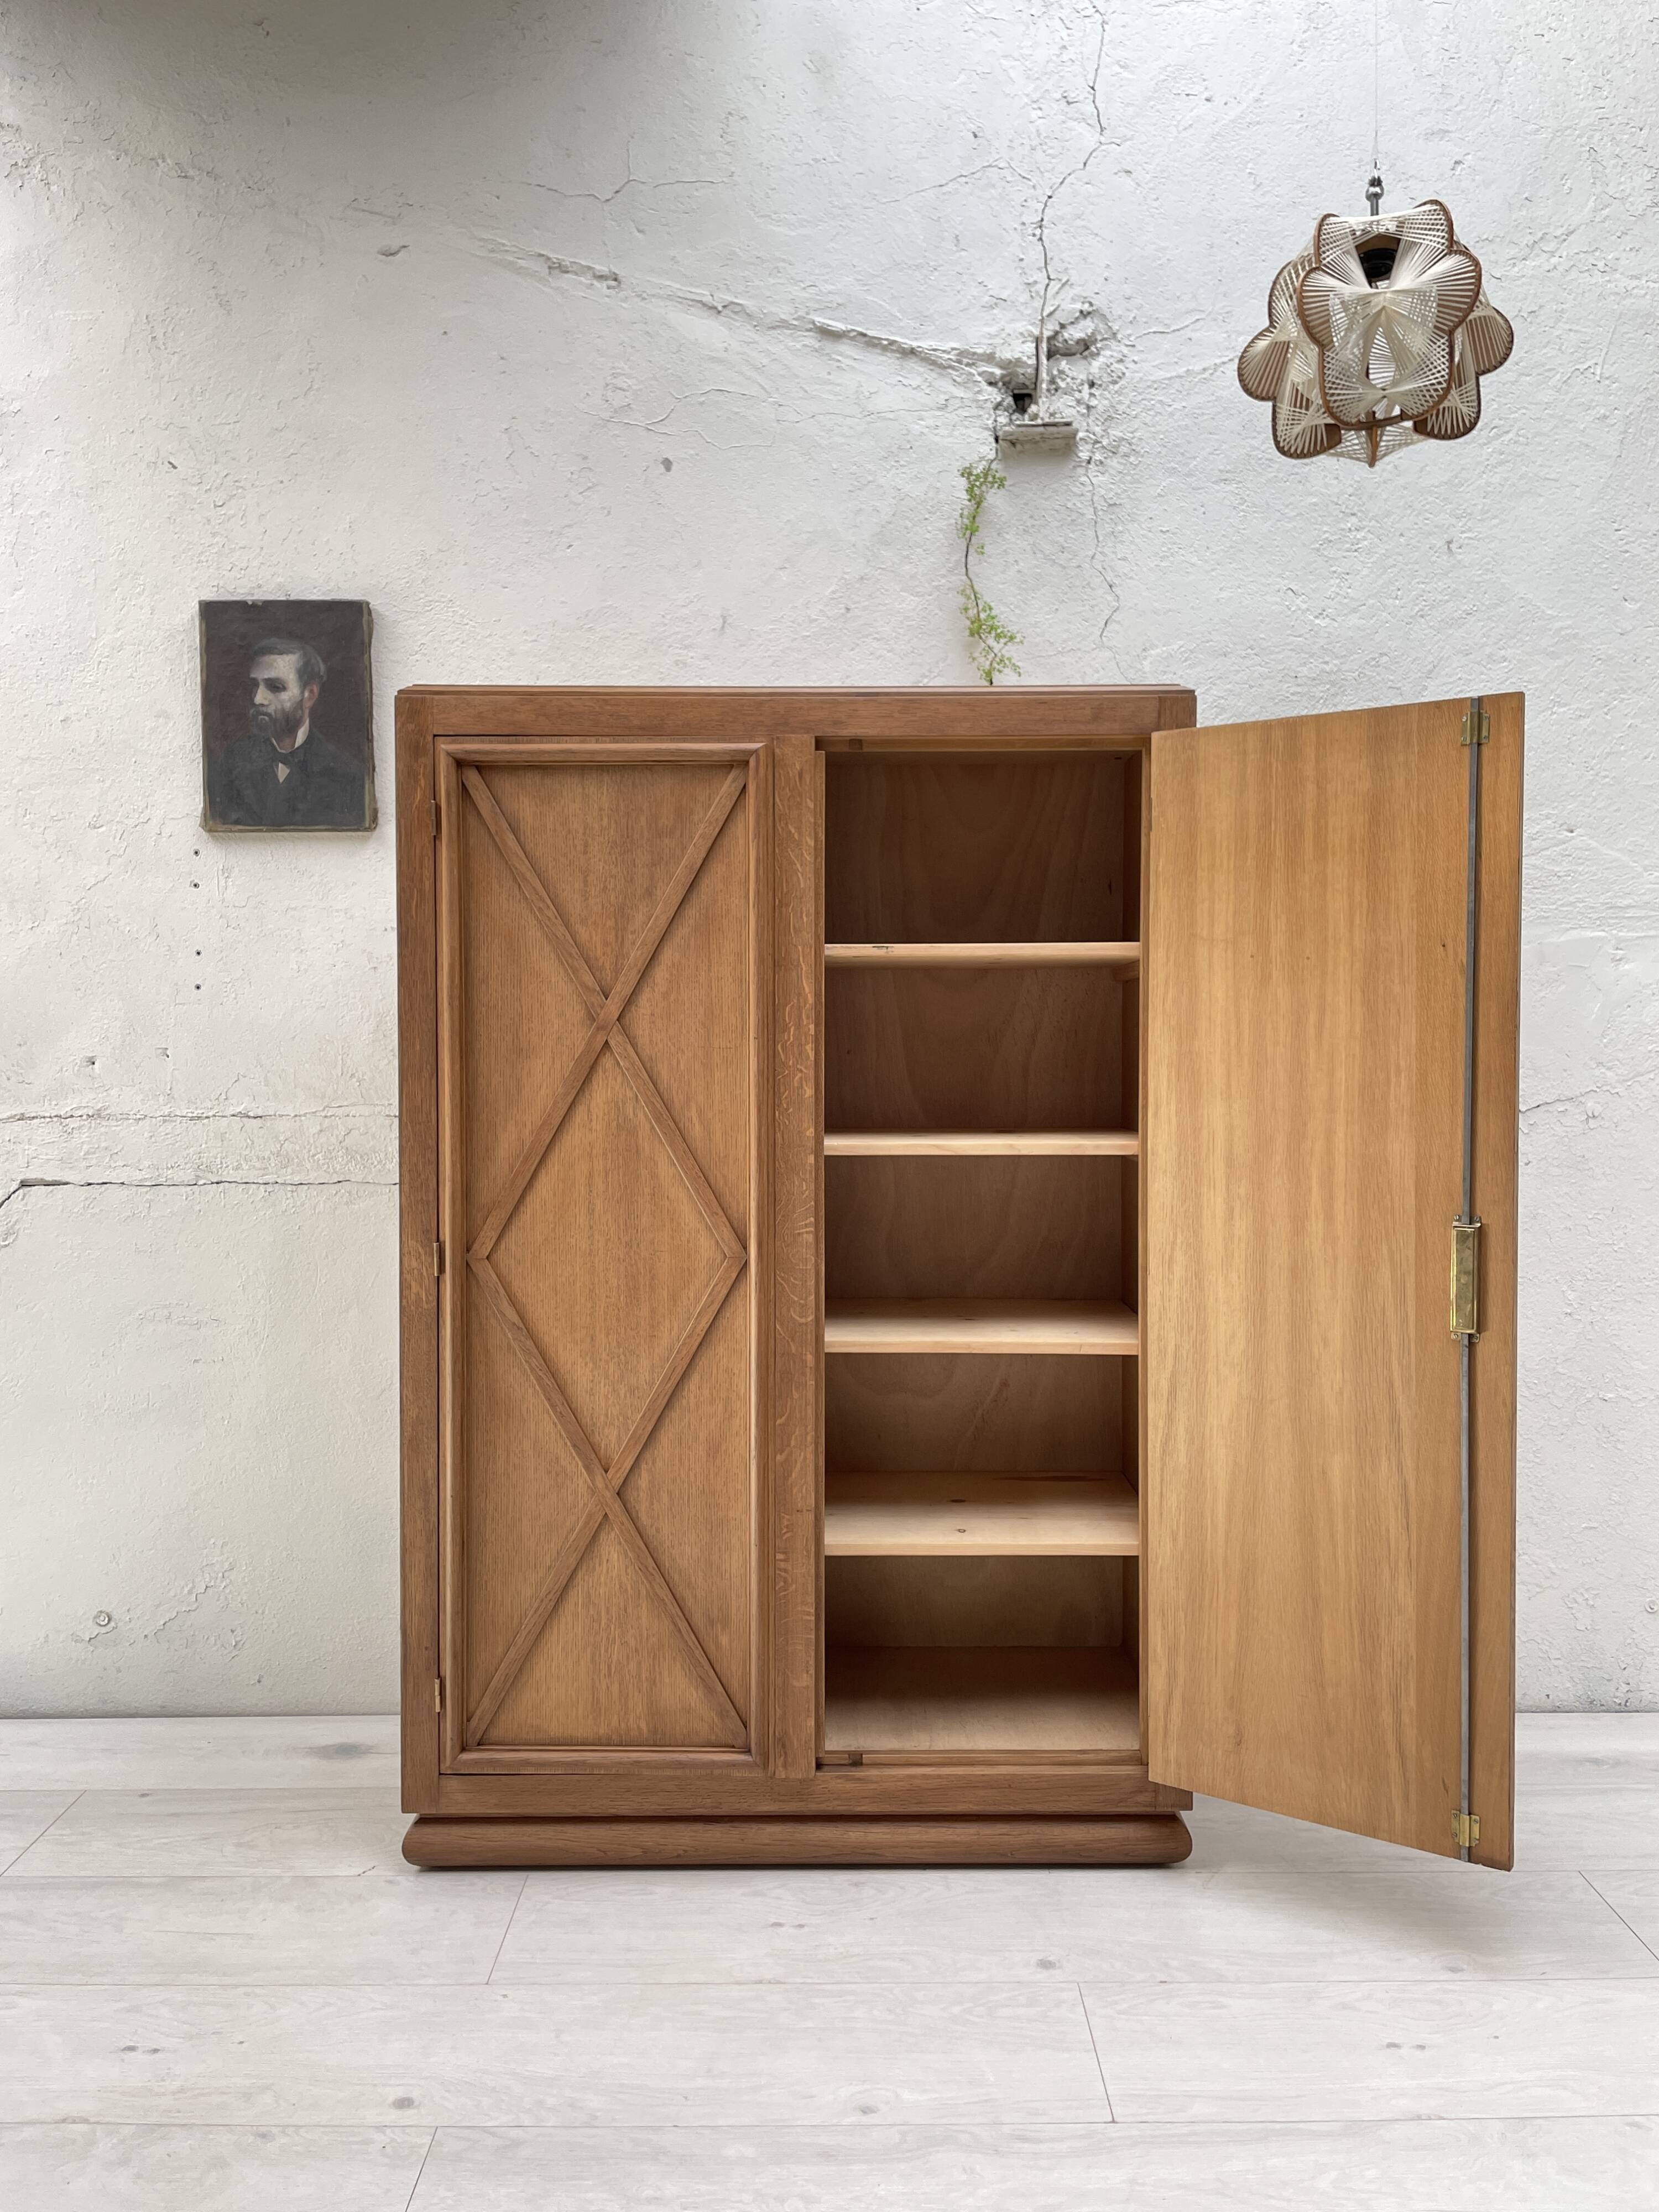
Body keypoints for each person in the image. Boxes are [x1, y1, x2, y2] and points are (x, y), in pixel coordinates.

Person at [208, 637, 367, 827]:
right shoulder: (229, 764)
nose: (258, 699)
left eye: (276, 687)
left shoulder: (347, 775)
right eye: (255, 686)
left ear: (310, 695)